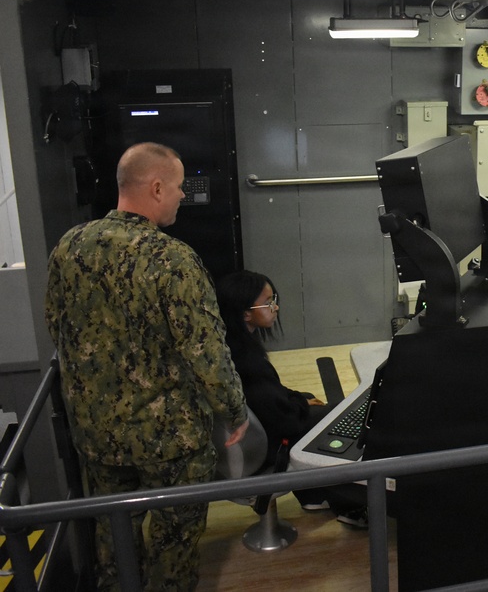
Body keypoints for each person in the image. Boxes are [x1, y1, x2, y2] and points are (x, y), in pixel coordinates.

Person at [45, 142, 248, 592]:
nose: (181, 196)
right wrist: (233, 410)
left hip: (97, 435)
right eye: (177, 188)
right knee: (174, 543)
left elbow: (55, 326)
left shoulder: (69, 248)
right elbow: (205, 351)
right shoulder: (172, 259)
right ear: (156, 188)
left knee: (113, 539)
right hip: (170, 438)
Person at [215, 269, 368, 527]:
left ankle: (313, 495)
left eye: (273, 298)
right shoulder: (247, 361)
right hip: (267, 444)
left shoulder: (232, 347)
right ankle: (348, 505)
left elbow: (273, 397)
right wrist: (300, 404)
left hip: (262, 430)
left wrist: (299, 399)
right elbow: (285, 420)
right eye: (267, 302)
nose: (275, 307)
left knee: (309, 399)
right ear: (245, 313)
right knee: (339, 420)